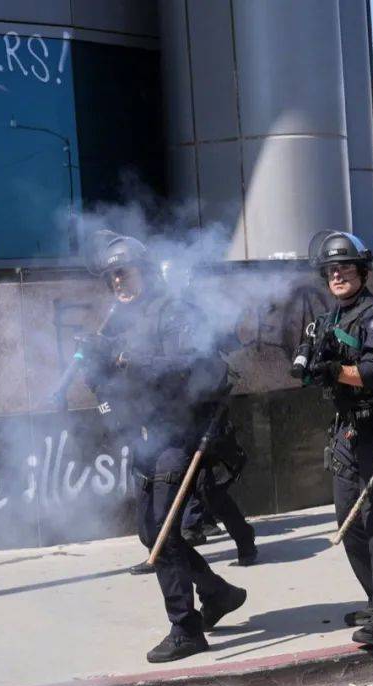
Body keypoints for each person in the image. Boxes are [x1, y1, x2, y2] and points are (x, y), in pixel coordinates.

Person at [81, 234, 247, 662]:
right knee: (149, 532)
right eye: (112, 275)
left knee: (165, 533)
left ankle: (186, 628)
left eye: (125, 270)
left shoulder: (173, 312)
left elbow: (189, 367)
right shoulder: (118, 320)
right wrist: (96, 368)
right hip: (146, 435)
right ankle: (217, 592)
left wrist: (129, 363)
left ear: (145, 271)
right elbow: (107, 385)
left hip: (181, 432)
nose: (118, 280)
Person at [301, 230, 373, 647]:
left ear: (363, 271)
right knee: (350, 524)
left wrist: (335, 370)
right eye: (331, 269)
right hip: (348, 432)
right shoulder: (331, 319)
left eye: (346, 267)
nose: (338, 275)